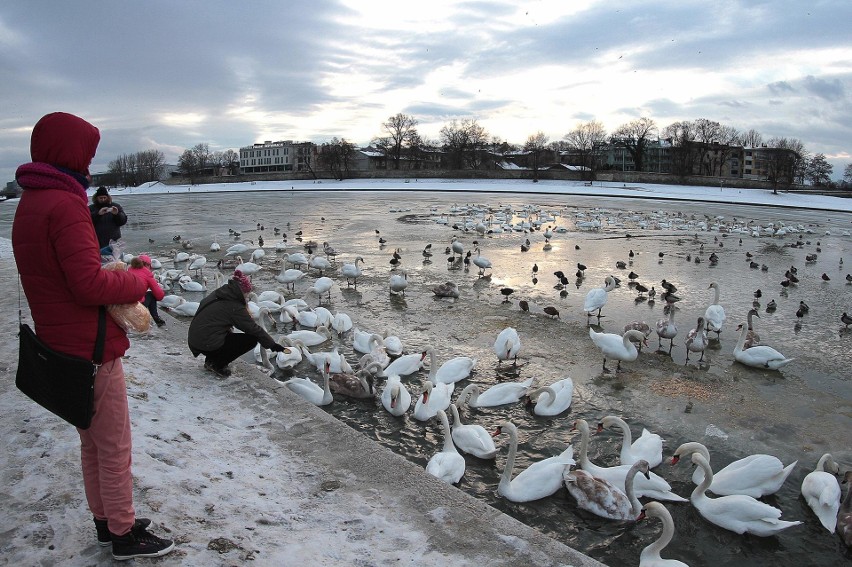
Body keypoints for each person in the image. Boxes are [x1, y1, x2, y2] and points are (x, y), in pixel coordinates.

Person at [12, 112, 175, 560]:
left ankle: (106, 522)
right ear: (72, 154)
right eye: (86, 155)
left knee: (92, 442)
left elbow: (58, 278)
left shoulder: (30, 202)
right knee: (115, 446)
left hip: (60, 341)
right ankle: (124, 535)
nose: (89, 167)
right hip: (91, 345)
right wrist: (136, 282)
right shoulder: (65, 205)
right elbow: (87, 285)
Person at [188, 269, 285, 377]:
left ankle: (210, 360)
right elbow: (253, 329)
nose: (247, 298)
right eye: (247, 295)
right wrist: (272, 345)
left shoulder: (219, 293)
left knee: (227, 332)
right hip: (205, 341)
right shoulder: (234, 306)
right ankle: (218, 365)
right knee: (251, 340)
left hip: (195, 338)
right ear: (242, 292)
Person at [128, 255, 166, 327]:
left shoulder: (129, 269)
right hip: (136, 305)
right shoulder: (147, 273)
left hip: (126, 303)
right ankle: (156, 318)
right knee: (151, 294)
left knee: (146, 294)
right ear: (148, 265)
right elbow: (159, 295)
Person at [89, 185, 127, 252]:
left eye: (104, 197)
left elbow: (122, 221)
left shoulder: (116, 206)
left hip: (114, 241)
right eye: (100, 198)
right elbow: (86, 222)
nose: (103, 200)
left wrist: (116, 214)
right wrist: (98, 214)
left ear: (108, 197)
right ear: (96, 198)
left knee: (115, 262)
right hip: (97, 241)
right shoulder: (91, 208)